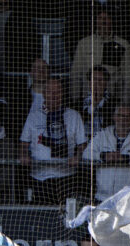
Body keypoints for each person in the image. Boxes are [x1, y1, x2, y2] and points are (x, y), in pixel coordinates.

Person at [19, 77, 87, 205]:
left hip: (66, 176)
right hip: (40, 177)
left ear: (62, 93)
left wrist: (78, 157)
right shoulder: (34, 116)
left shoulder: (74, 116)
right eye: (50, 92)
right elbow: (24, 142)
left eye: (57, 92)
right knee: (43, 215)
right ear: (44, 94)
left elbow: (82, 143)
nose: (54, 96)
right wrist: (23, 155)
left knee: (67, 214)